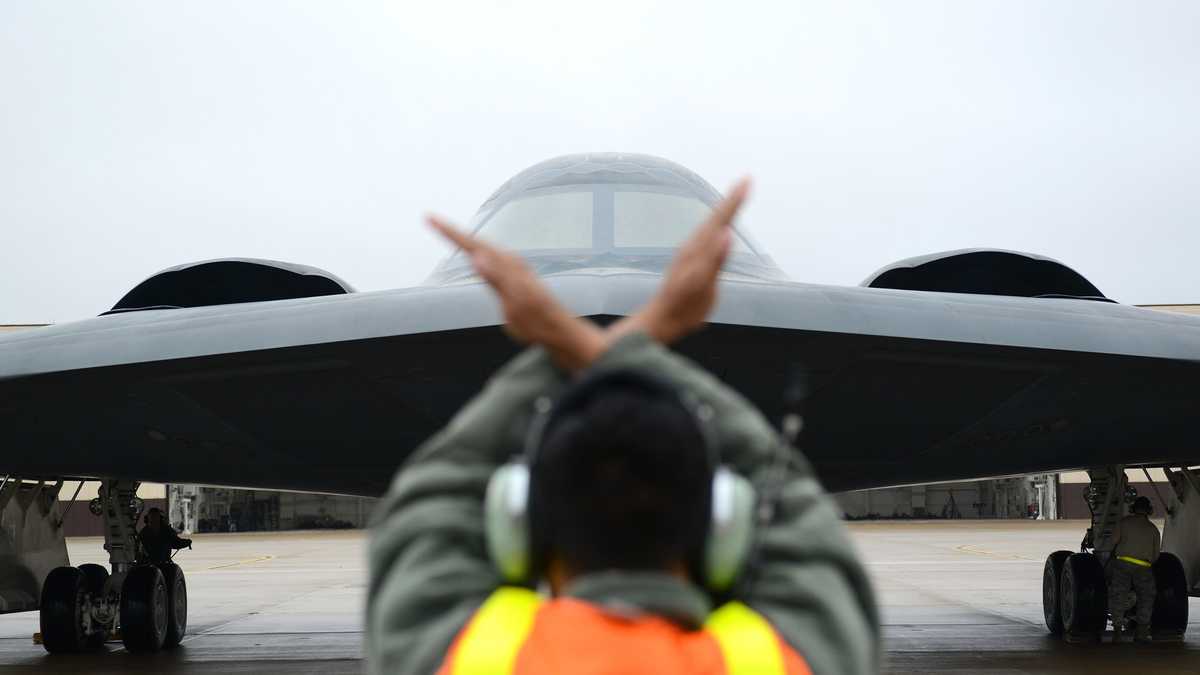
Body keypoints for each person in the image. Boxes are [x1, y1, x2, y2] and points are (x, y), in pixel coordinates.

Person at [367, 180, 879, 674]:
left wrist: (564, 334)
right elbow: (798, 515)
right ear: (724, 523)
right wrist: (631, 337)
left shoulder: (466, 658)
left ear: (519, 526)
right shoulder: (783, 661)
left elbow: (434, 492)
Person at [1108, 496, 1161, 643]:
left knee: (1118, 595)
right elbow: (1156, 556)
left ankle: (1117, 631)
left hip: (1123, 565)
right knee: (1146, 598)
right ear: (1149, 511)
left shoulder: (1124, 523)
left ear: (1133, 509)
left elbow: (1112, 541)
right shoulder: (1153, 530)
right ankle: (1141, 632)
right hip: (1144, 568)